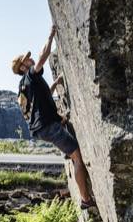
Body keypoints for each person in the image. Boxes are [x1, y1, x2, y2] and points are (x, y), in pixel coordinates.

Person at [12, 25, 96, 209]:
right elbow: (43, 56)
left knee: (63, 124)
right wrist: (50, 37)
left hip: (42, 129)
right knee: (78, 158)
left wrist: (56, 83)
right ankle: (85, 200)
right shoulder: (30, 76)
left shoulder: (24, 85)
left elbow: (42, 100)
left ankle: (66, 152)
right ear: (23, 66)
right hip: (48, 127)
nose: (31, 59)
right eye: (27, 59)